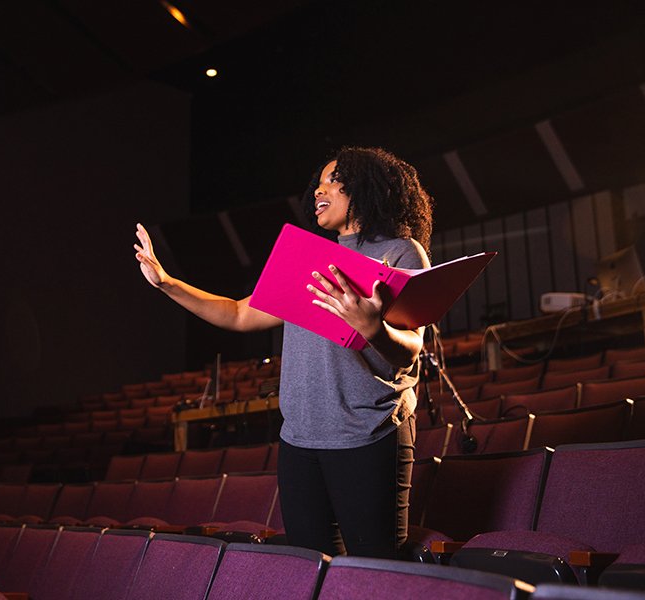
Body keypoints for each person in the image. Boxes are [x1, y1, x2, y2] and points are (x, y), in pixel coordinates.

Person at [134, 146, 433, 558]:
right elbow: (239, 314)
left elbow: (411, 348)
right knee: (311, 566)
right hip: (300, 440)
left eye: (333, 180)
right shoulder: (308, 259)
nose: (318, 191)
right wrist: (167, 283)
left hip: (368, 434)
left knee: (376, 569)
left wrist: (370, 327)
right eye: (318, 183)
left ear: (365, 186)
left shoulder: (400, 251)